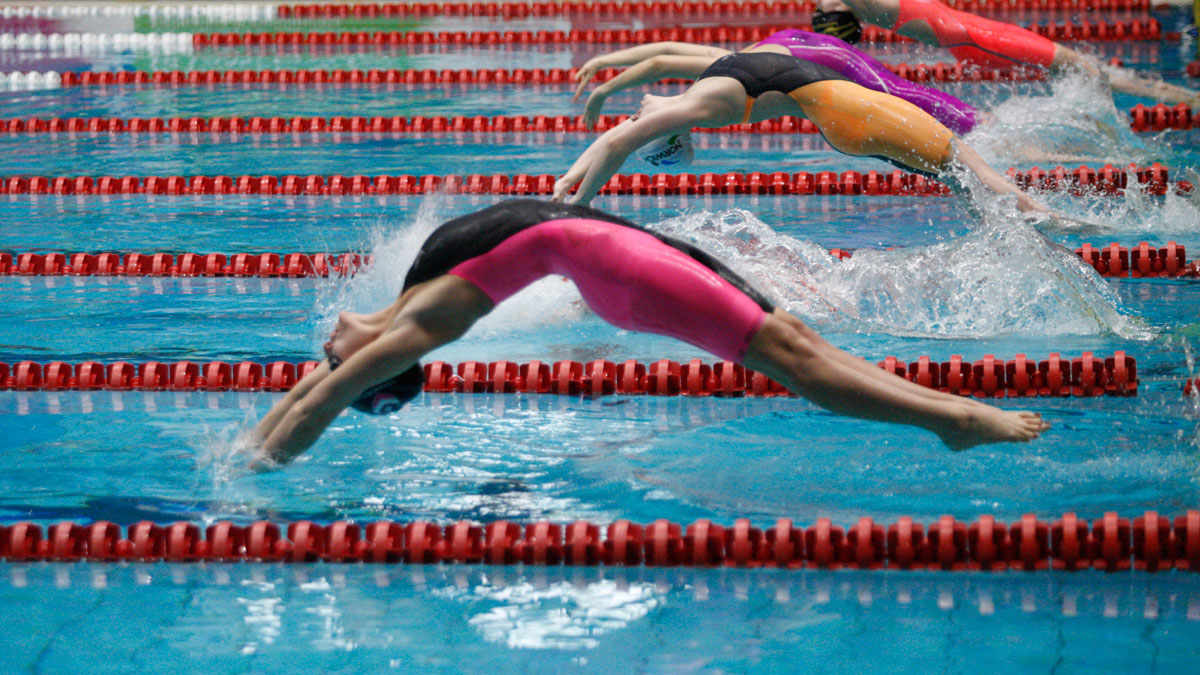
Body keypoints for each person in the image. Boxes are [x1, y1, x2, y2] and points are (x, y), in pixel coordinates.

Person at [251, 200, 1048, 465]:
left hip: (624, 261)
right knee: (797, 359)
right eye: (347, 371)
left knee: (796, 339)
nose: (324, 354)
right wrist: (250, 455)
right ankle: (955, 421)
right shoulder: (425, 312)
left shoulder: (422, 292)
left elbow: (324, 389)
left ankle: (948, 412)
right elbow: (325, 393)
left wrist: (254, 450)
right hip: (626, 272)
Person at [553, 50, 1054, 213]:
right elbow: (619, 140)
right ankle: (1058, 226)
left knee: (971, 181)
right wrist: (570, 194)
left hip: (854, 121)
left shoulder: (699, 100)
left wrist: (572, 198)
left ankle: (1051, 228)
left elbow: (620, 139)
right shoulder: (706, 89)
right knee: (971, 172)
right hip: (858, 114)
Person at [573, 29, 980, 134]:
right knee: (902, 93)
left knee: (900, 96)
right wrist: (606, 65)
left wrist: (606, 88)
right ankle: (978, 124)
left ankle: (977, 126)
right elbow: (666, 52)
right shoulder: (726, 70)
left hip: (811, 53)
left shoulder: (722, 80)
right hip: (797, 45)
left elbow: (662, 59)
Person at [814, 0, 1200, 107]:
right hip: (979, 41)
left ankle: (1187, 99)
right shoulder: (857, 2)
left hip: (979, 34)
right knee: (1089, 73)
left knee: (1091, 72)